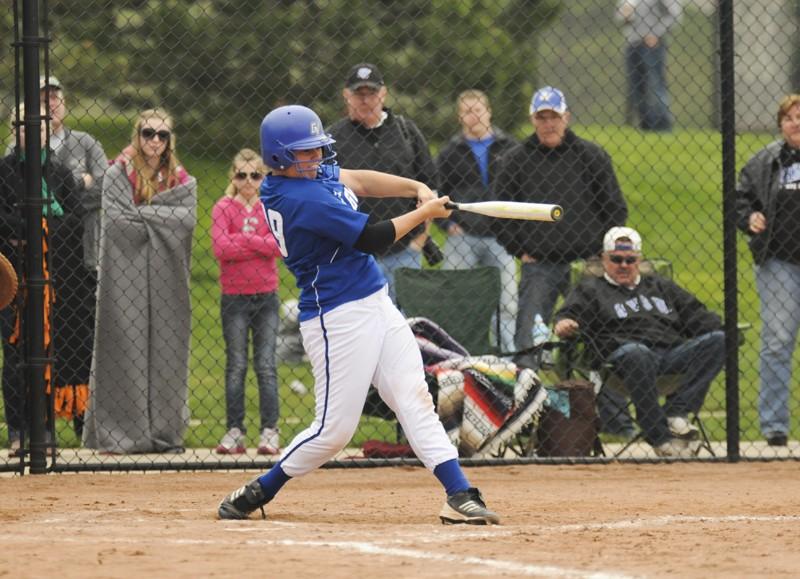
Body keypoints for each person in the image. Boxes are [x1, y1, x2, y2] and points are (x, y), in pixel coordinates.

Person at [217, 104, 500, 525]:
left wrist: (415, 186)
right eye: (305, 151)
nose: (316, 157)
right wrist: (424, 213)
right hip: (337, 318)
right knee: (334, 431)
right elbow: (371, 238)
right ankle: (259, 489)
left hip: (375, 302)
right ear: (279, 158)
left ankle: (459, 493)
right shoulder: (298, 198)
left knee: (414, 396)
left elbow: (358, 179)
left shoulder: (308, 174)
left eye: (317, 148)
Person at [553, 227, 725, 458]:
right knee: (637, 352)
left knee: (719, 340)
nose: (623, 265)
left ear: (639, 260)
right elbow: (568, 314)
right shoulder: (591, 289)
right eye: (616, 259)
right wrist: (564, 323)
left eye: (630, 260)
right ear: (604, 259)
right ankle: (660, 437)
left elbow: (697, 316)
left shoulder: (661, 286)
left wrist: (724, 329)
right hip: (622, 360)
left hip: (671, 354)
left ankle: (677, 412)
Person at [82, 109, 197, 454]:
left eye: (162, 135)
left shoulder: (178, 177)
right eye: (148, 133)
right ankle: (122, 435)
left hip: (166, 274)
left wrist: (142, 214)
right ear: (138, 134)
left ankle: (164, 434)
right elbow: (117, 221)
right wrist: (160, 218)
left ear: (169, 140)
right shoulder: (120, 171)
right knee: (123, 344)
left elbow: (187, 218)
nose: (155, 141)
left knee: (167, 347)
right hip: (124, 271)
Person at [494, 86, 628, 369]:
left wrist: (602, 254)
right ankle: (528, 395)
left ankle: (593, 393)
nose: (548, 124)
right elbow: (501, 213)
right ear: (532, 120)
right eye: (541, 118)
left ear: (566, 117)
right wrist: (519, 249)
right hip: (538, 263)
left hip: (586, 264)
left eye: (554, 116)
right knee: (529, 337)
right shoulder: (515, 159)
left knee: (596, 333)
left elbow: (615, 208)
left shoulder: (591, 156)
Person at [1, 104, 79, 456]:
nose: (31, 131)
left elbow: (75, 219)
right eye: (22, 124)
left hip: (52, 276)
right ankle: (17, 430)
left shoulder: (61, 173)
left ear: (50, 130)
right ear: (12, 129)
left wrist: (36, 231)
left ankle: (44, 430)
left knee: (48, 351)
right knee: (14, 354)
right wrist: (32, 230)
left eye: (40, 125)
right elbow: (2, 222)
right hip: (12, 277)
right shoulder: (4, 172)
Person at [326, 63, 439, 302]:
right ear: (346, 96)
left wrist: (419, 240)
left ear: (383, 93)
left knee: (407, 321)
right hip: (355, 252)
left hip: (404, 248)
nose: (365, 100)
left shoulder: (406, 131)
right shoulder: (332, 139)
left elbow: (430, 186)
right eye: (358, 94)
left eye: (371, 93)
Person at [38, 75, 107, 436]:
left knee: (82, 335)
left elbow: (106, 185)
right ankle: (42, 424)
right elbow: (19, 190)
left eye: (55, 97)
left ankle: (84, 420)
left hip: (83, 255)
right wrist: (79, 183)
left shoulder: (86, 142)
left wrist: (62, 199)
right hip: (42, 259)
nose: (50, 104)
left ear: (63, 103)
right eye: (42, 98)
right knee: (43, 337)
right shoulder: (21, 143)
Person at [735, 94, 800, 447]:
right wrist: (749, 218)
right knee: (777, 341)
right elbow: (739, 198)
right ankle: (775, 426)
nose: (796, 123)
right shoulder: (765, 160)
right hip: (779, 263)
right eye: (789, 117)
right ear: (780, 124)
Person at [435, 89, 518, 353]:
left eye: (478, 110)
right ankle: (458, 353)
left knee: (506, 301)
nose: (474, 116)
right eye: (467, 112)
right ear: (460, 117)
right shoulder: (450, 152)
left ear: (489, 111)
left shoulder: (510, 147)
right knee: (456, 298)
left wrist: (516, 227)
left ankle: (507, 354)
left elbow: (522, 188)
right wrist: (448, 225)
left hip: (501, 236)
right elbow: (436, 191)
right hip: (463, 236)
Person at [211, 149, 282, 455]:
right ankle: (235, 430)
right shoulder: (223, 207)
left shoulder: (271, 206)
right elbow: (220, 248)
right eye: (242, 175)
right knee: (236, 365)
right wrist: (257, 244)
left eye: (255, 175)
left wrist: (243, 238)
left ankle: (270, 430)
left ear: (264, 177)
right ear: (233, 177)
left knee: (266, 365)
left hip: (266, 295)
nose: (249, 181)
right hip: (235, 297)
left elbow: (278, 246)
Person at [615, 0, 682, 132]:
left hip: (652, 45)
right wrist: (625, 15)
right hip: (632, 43)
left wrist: (655, 33)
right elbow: (619, 15)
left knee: (656, 84)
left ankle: (663, 126)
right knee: (637, 87)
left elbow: (675, 14)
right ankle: (646, 125)